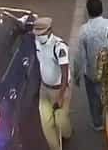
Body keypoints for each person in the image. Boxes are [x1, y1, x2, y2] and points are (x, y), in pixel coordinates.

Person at [74, 0, 108, 133]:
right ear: (102, 9)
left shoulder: (84, 30)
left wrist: (76, 75)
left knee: (94, 99)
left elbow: (79, 56)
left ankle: (98, 123)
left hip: (92, 73)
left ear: (88, 12)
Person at [33, 17, 72, 150]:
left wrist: (61, 96)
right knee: (46, 123)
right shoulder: (37, 43)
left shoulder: (59, 47)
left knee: (60, 121)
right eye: (37, 34)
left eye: (42, 34)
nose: (39, 37)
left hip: (59, 90)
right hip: (44, 88)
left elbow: (65, 73)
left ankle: (67, 134)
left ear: (49, 30)